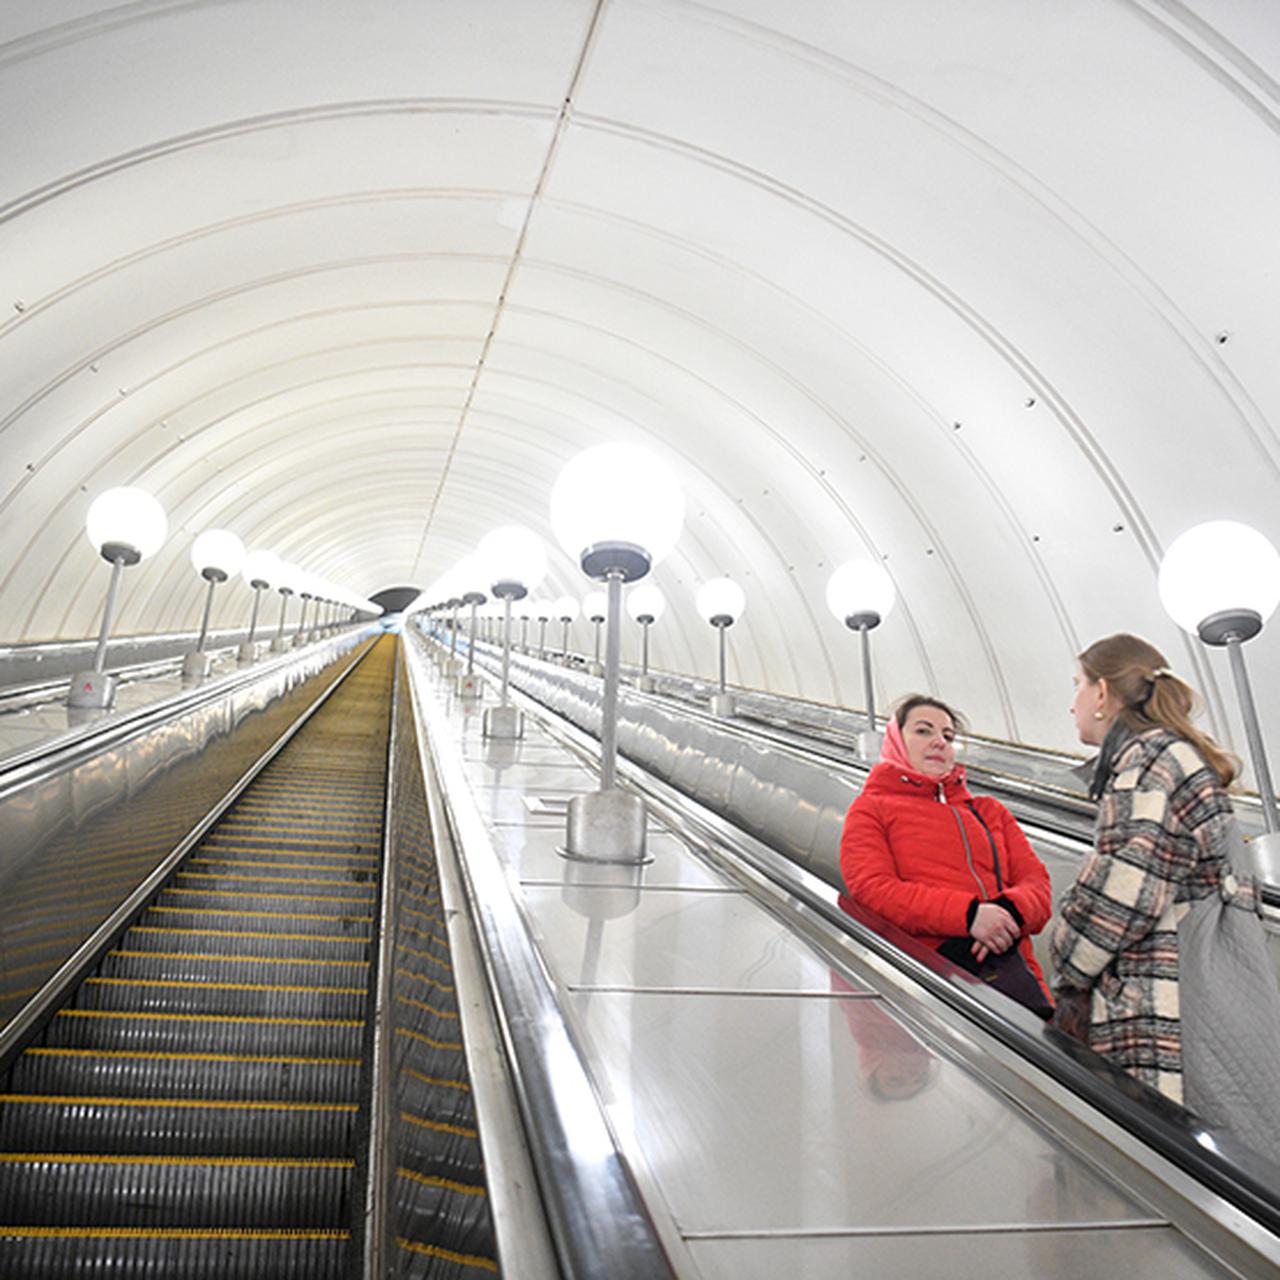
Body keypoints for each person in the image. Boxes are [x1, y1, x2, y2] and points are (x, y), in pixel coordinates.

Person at [1052, 634, 1280, 1152]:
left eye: (1077, 687)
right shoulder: (1173, 756)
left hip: (1179, 1000)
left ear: (1104, 692)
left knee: (1206, 1161)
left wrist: (1066, 958)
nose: (1073, 703)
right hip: (1213, 985)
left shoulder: (1149, 765)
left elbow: (1120, 896)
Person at [840, 695, 1055, 1013]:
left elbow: (1037, 883)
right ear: (896, 740)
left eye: (948, 736)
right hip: (924, 982)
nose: (939, 742)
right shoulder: (871, 809)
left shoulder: (989, 811)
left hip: (1011, 979)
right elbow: (873, 889)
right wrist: (969, 917)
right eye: (923, 731)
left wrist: (1004, 914)